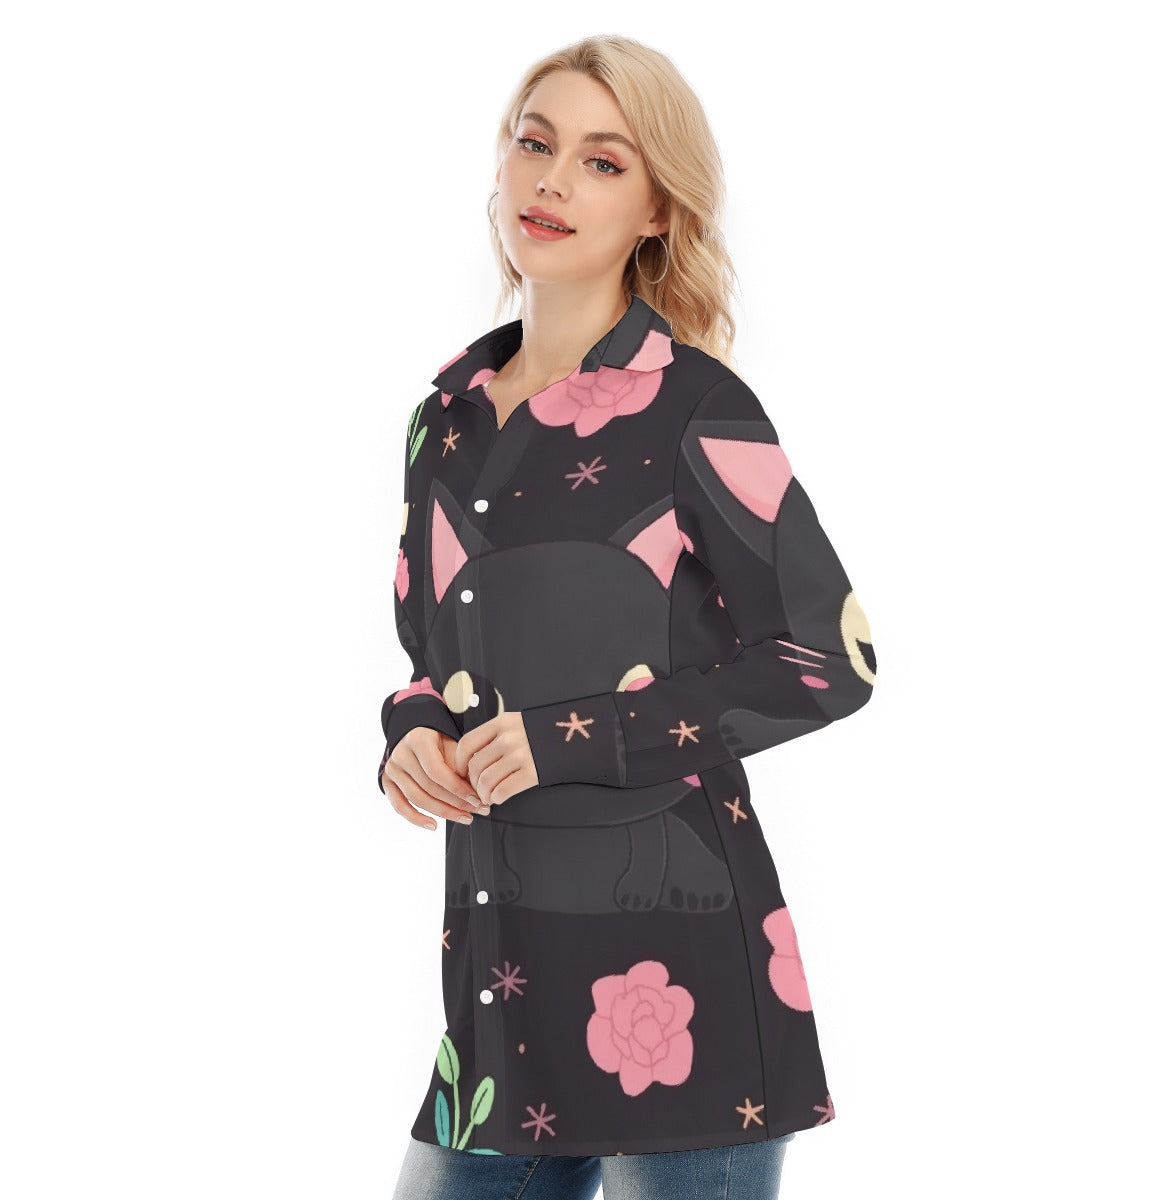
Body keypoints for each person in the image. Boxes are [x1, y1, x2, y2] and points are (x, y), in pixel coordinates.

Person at [377, 34, 878, 1200]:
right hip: (500, 1003)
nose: (552, 182)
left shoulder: (697, 408)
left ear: (657, 210)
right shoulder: (444, 419)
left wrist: (572, 738)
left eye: (603, 162)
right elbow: (433, 656)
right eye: (535, 144)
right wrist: (409, 733)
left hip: (686, 1003)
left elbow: (829, 659)